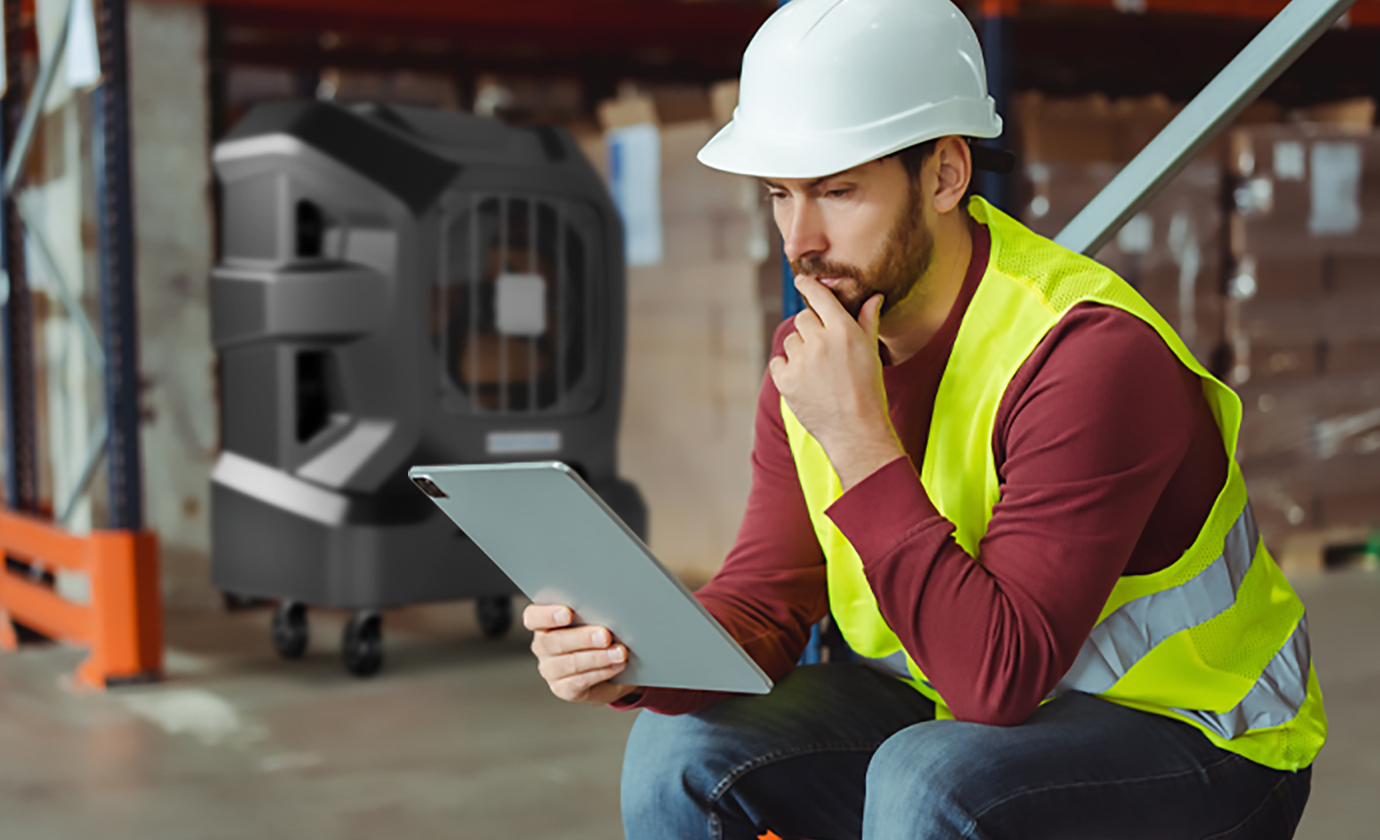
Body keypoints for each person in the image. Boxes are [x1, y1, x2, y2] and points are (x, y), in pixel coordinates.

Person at [524, 0, 1326, 837]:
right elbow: (766, 603)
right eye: (779, 195)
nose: (801, 239)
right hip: (954, 699)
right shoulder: (815, 353)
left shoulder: (1087, 354)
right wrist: (636, 658)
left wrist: (859, 438)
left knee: (932, 778)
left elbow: (997, 679)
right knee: (677, 749)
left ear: (944, 174)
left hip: (1200, 740)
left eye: (837, 191)